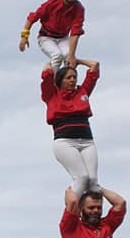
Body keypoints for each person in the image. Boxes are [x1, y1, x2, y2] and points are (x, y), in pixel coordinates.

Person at [41, 58, 101, 194]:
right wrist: (55, 60)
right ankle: (70, 211)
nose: (73, 80)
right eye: (68, 77)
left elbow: (95, 66)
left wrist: (77, 61)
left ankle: (88, 212)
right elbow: (47, 72)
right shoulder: (51, 95)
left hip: (87, 142)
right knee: (82, 177)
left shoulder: (83, 92)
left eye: (74, 77)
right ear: (60, 80)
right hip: (65, 142)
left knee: (92, 180)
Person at [20, 0, 87, 71]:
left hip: (63, 38)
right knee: (57, 55)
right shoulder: (51, 4)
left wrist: (72, 56)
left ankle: (64, 82)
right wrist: (24, 37)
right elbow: (32, 18)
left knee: (68, 56)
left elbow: (75, 32)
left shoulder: (79, 9)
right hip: (46, 37)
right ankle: (53, 82)